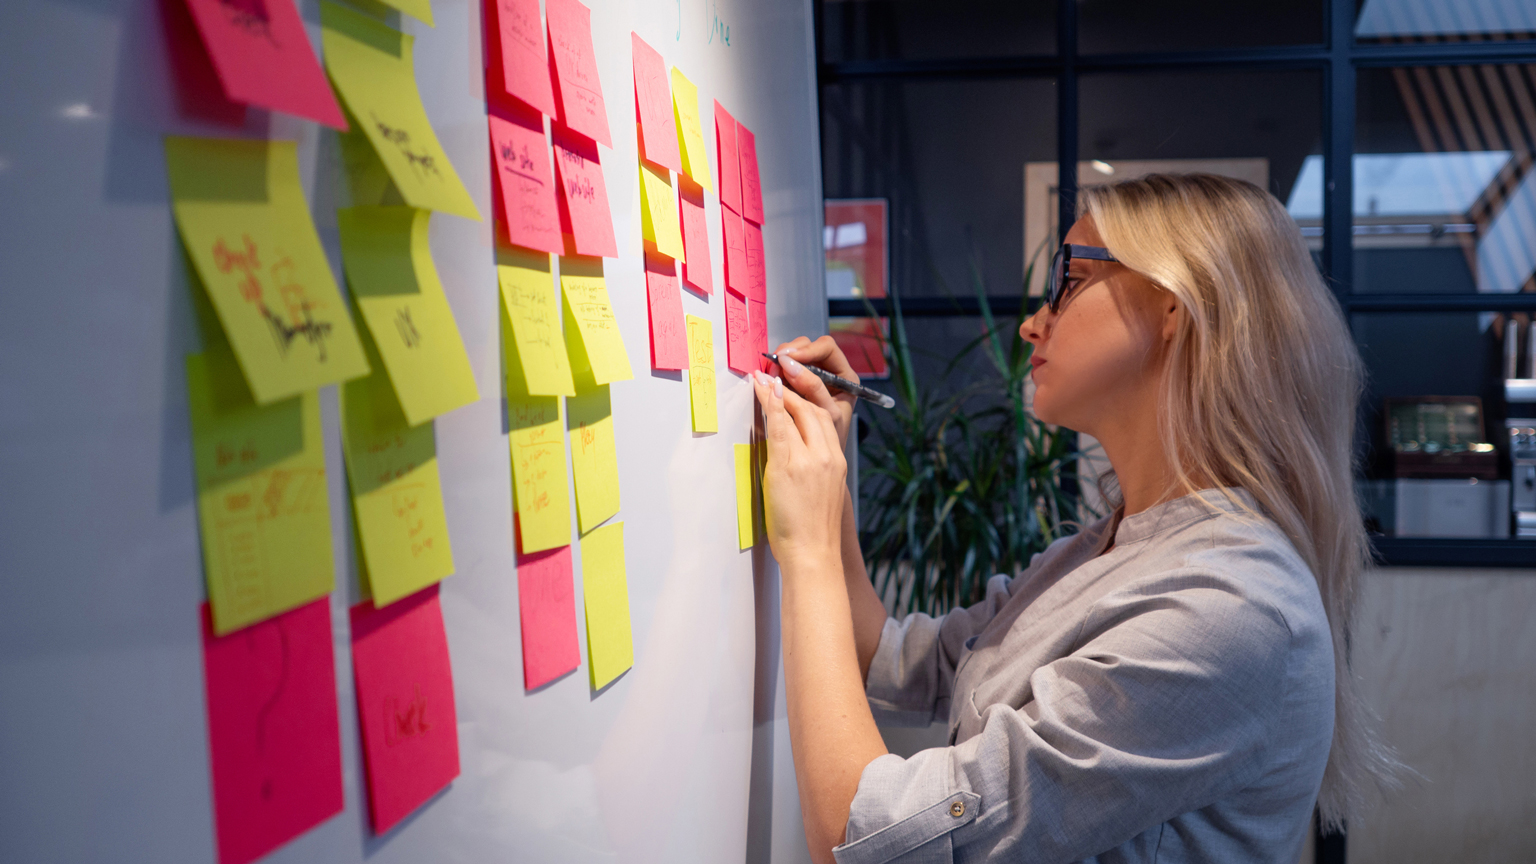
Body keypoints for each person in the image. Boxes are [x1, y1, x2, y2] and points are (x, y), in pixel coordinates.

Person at [747, 173, 1398, 864]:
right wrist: (831, 487)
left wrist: (813, 550)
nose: (1033, 321)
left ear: (1174, 305)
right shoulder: (1107, 548)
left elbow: (861, 840)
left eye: (1072, 281)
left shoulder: (1230, 609)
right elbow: (897, 658)